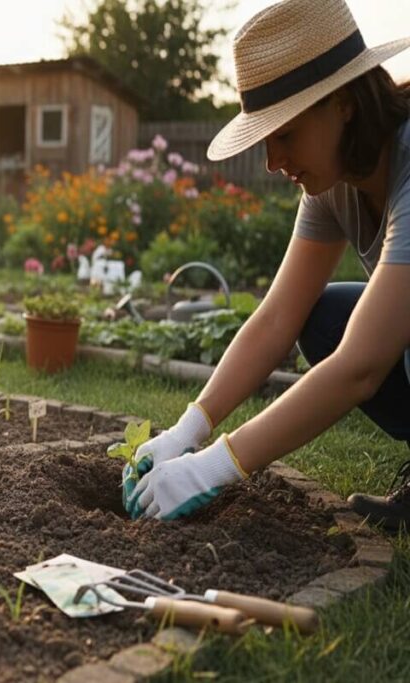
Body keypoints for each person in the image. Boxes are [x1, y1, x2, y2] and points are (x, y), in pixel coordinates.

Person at [123, 0, 410, 530]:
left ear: (343, 103)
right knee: (323, 317)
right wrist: (189, 429)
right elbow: (278, 316)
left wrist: (210, 469)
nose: (273, 162)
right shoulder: (335, 183)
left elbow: (362, 366)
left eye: (286, 134)